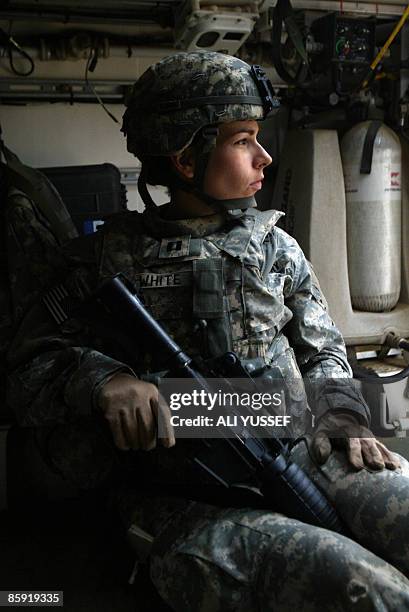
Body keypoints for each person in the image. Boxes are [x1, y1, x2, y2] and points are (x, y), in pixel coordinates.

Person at [7, 51, 409, 610]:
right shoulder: (98, 265)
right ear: (186, 158)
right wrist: (104, 381)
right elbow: (25, 372)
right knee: (366, 589)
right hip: (176, 495)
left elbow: (324, 350)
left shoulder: (274, 247)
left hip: (288, 444)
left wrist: (342, 413)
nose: (265, 155)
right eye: (243, 139)